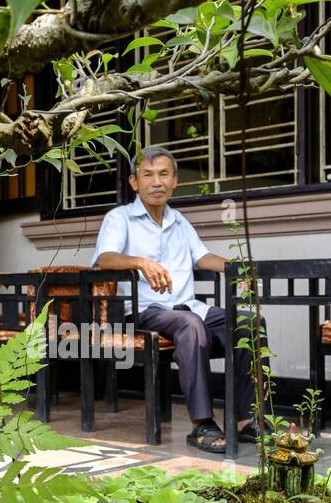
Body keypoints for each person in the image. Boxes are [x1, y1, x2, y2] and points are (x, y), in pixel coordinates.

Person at [91, 146, 267, 454]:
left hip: (188, 307)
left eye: (163, 174)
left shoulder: (179, 221)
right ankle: (202, 424)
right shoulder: (120, 218)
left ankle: (244, 419)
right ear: (134, 182)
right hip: (143, 310)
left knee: (249, 323)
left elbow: (202, 257)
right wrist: (140, 262)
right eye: (148, 175)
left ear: (174, 181)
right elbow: (104, 259)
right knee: (191, 325)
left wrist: (236, 267)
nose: (156, 182)